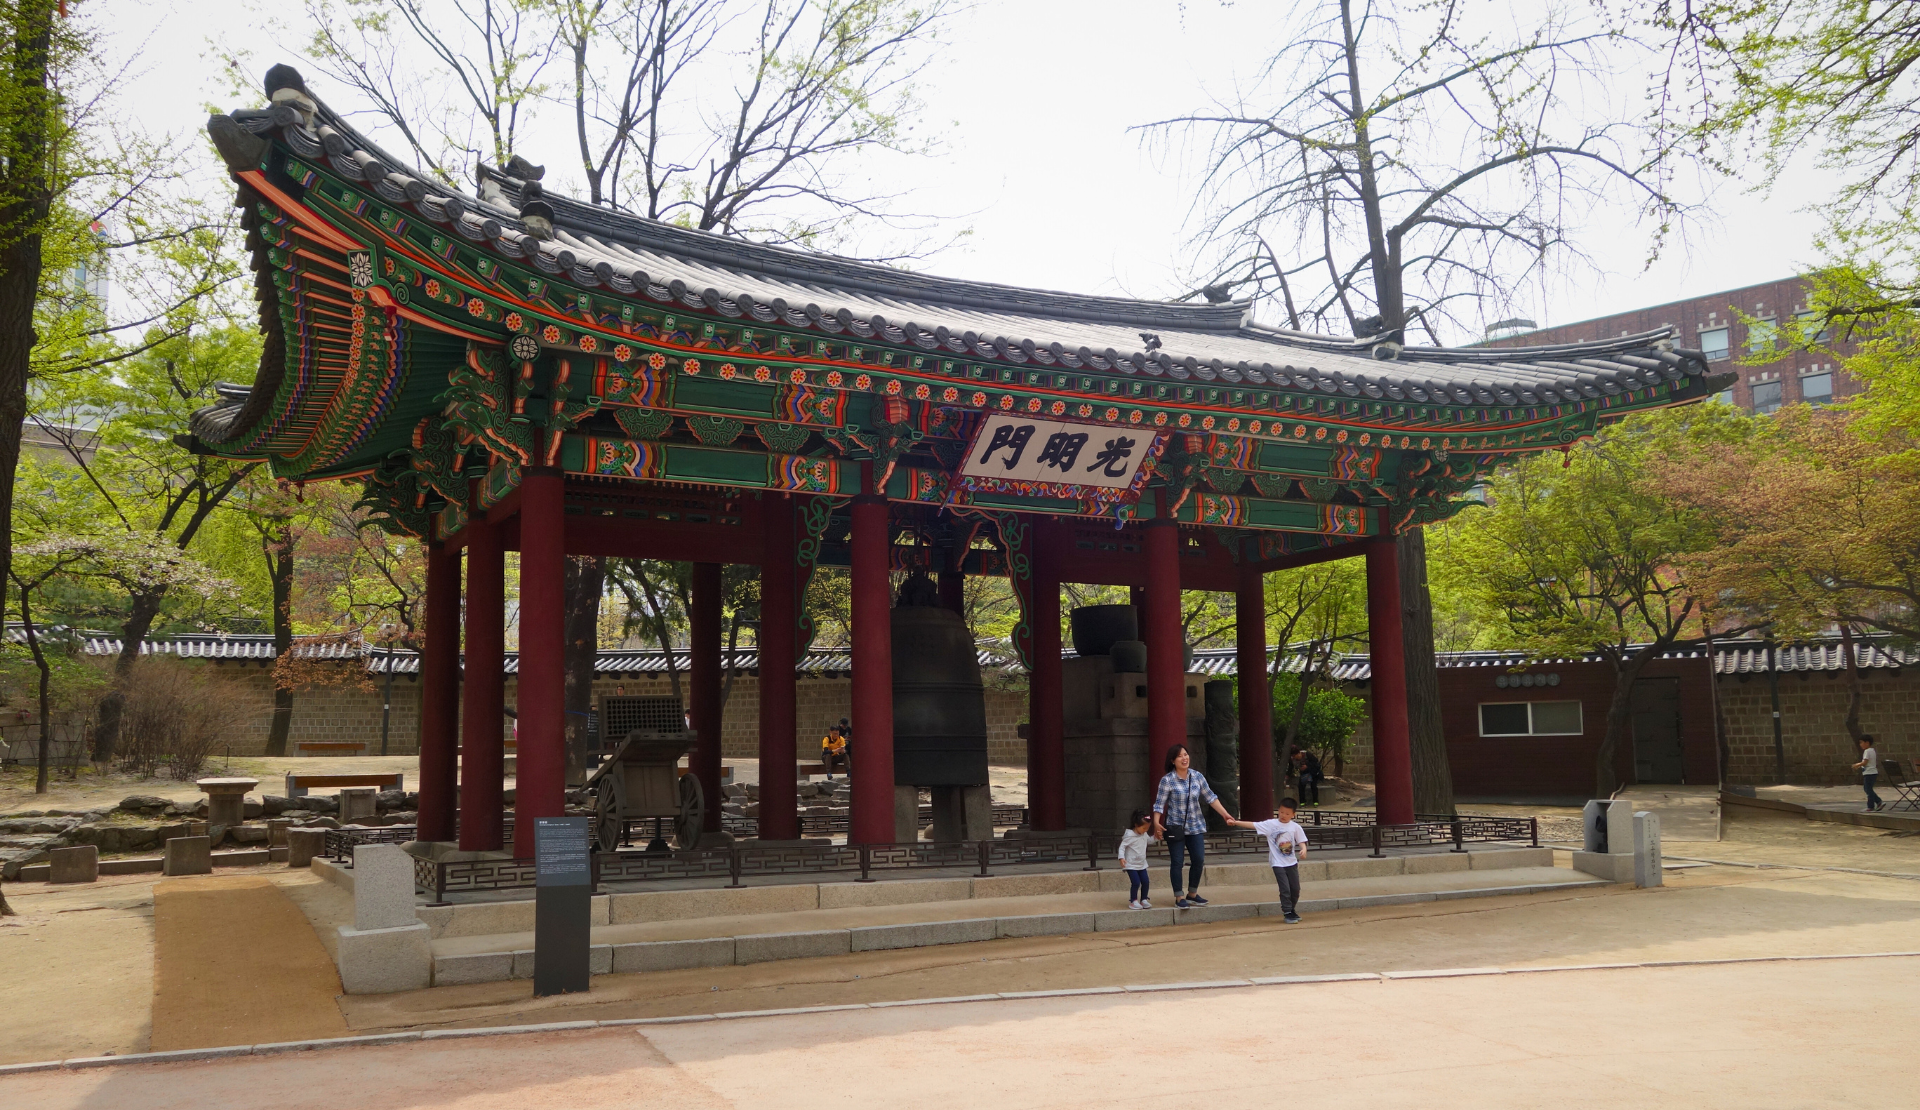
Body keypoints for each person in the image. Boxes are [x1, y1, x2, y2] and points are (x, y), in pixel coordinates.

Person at [1151, 742, 1235, 908]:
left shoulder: (1197, 777)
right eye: (1180, 756)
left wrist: (1225, 814)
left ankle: (1192, 893)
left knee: (1198, 859)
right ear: (1173, 761)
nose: (1184, 758)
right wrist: (1156, 823)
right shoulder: (1167, 780)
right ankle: (1179, 897)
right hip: (1175, 827)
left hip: (1195, 826)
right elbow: (1159, 804)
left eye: (1186, 754)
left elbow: (1210, 797)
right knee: (1177, 861)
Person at [1227, 796, 1309, 923]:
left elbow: (1302, 841)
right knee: (1285, 888)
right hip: (1277, 863)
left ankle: (1291, 910)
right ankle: (1287, 912)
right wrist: (1236, 822)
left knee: (1295, 889)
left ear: (1293, 814)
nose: (1283, 815)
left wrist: (1303, 849)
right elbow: (1253, 825)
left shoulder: (1295, 827)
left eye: (1287, 813)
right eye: (1281, 812)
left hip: (1292, 862)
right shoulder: (1271, 824)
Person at [1119, 810, 1156, 909]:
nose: (1145, 830)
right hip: (1131, 864)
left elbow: (1149, 841)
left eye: (1147, 828)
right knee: (1136, 882)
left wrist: (1156, 837)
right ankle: (1133, 900)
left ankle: (1144, 899)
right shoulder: (1129, 835)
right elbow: (1122, 847)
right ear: (1136, 825)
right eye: (1144, 828)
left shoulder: (1144, 834)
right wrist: (1121, 858)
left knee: (1146, 881)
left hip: (1142, 864)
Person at [1852, 734, 1883, 812]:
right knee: (1868, 789)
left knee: (1868, 789)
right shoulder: (1872, 750)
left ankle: (1872, 805)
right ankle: (1877, 803)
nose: (1860, 744)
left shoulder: (1867, 751)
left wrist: (1857, 765)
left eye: (1861, 742)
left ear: (1867, 743)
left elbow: (1865, 762)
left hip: (1869, 773)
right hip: (1873, 772)